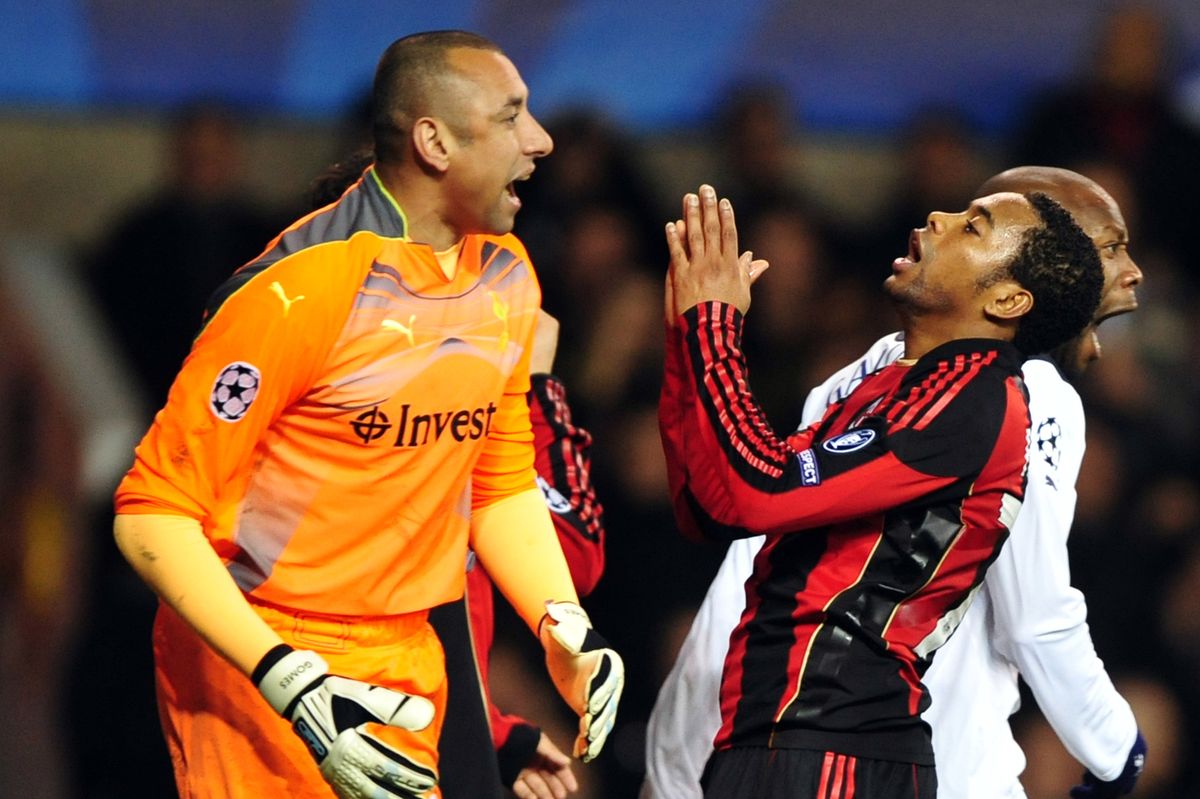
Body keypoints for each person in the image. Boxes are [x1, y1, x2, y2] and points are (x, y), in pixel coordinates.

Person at [111, 30, 623, 799]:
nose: (540, 140)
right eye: (513, 115)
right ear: (434, 141)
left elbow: (500, 478)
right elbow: (150, 514)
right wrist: (287, 678)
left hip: (407, 652)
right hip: (262, 663)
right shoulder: (301, 288)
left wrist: (563, 623)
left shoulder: (509, 276)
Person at [643, 168, 1145, 799]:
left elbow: (1035, 619)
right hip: (768, 732)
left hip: (837, 741)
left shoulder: (994, 397)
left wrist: (711, 327)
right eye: (1111, 247)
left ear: (1014, 297)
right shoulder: (884, 381)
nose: (1131, 271)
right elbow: (720, 501)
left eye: (973, 224)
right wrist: (691, 333)